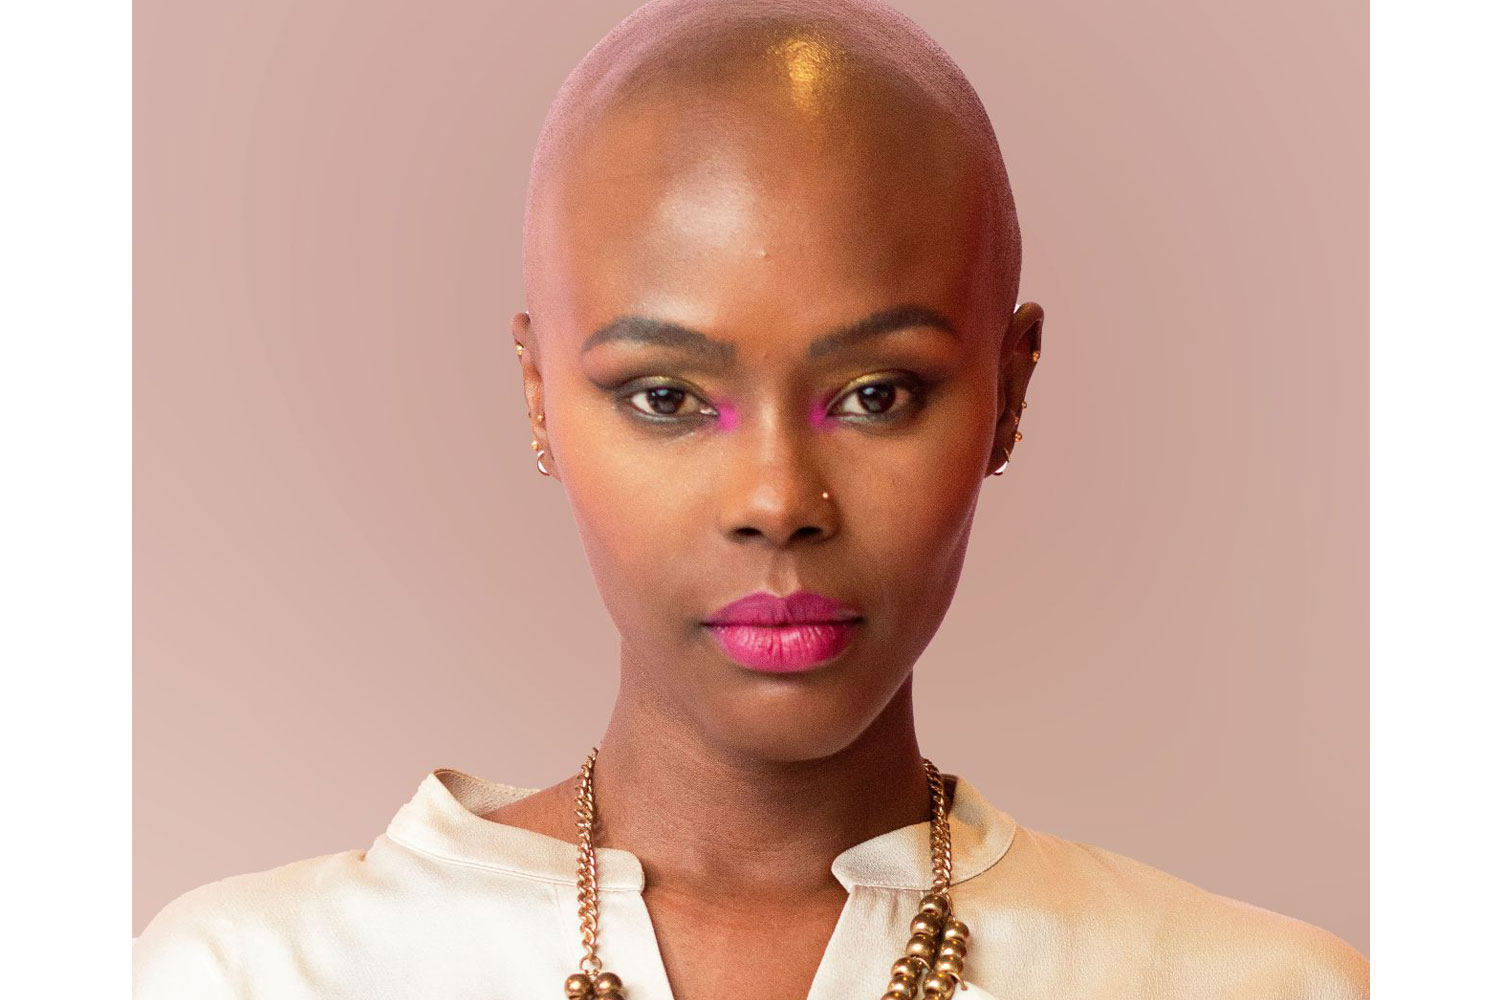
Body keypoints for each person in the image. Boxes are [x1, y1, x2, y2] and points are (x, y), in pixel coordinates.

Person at [133, 1, 1370, 997]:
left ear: (1010, 390)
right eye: (667, 396)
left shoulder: (1261, 985)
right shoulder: (248, 976)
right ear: (539, 398)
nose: (779, 500)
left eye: (876, 393)